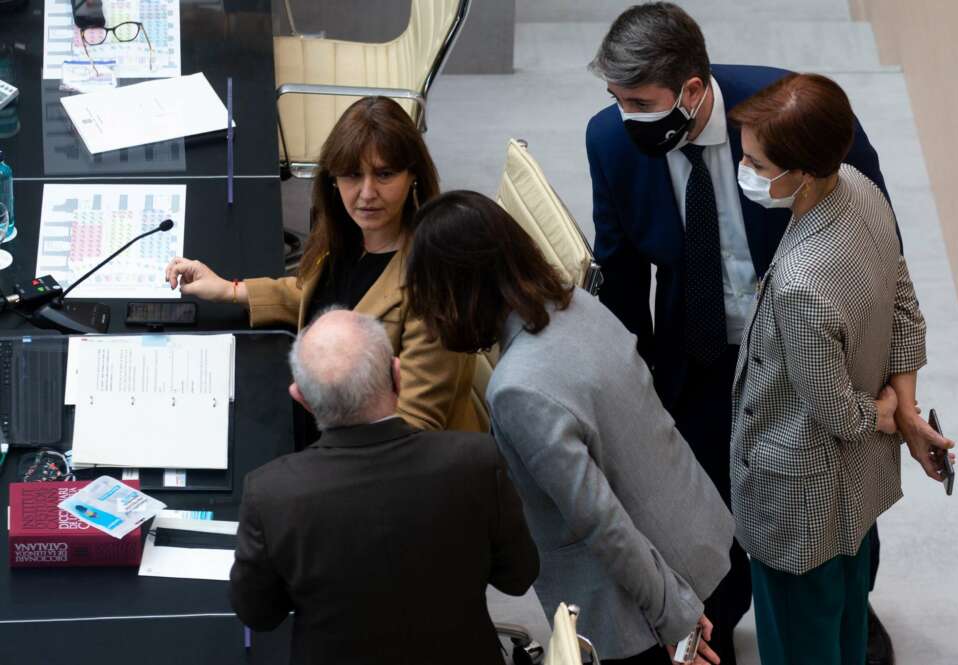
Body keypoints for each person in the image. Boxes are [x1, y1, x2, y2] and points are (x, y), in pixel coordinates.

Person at [585, 5, 951, 662]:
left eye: (639, 101)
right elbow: (619, 274)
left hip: (806, 360)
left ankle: (840, 608)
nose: (623, 117)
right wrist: (630, 403)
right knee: (704, 510)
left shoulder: (794, 123)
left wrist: (897, 398)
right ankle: (713, 625)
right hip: (694, 355)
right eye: (615, 100)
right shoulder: (611, 142)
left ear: (692, 91)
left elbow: (883, 269)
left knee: (825, 514)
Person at [405, 190, 733, 665]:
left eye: (429, 298)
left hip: (644, 612)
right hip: (697, 545)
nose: (426, 319)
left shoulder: (517, 390)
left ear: (460, 290)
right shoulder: (576, 304)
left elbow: (602, 521)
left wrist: (672, 617)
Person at [726, 73, 928, 665]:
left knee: (797, 645)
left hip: (795, 510)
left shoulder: (799, 286)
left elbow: (839, 413)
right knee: (841, 628)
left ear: (803, 173)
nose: (748, 173)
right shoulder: (863, 191)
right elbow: (904, 304)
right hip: (852, 495)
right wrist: (904, 406)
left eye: (757, 164)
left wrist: (887, 413)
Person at [229, 308, 539, 665]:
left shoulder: (271, 495)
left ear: (301, 398)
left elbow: (258, 615)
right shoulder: (478, 462)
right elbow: (519, 577)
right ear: (397, 374)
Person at [165, 96, 481, 432]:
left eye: (384, 174)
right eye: (352, 175)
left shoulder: (436, 285)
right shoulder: (348, 237)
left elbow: (418, 427)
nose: (367, 192)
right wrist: (230, 290)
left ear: (412, 175)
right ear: (333, 180)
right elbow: (322, 298)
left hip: (382, 457)